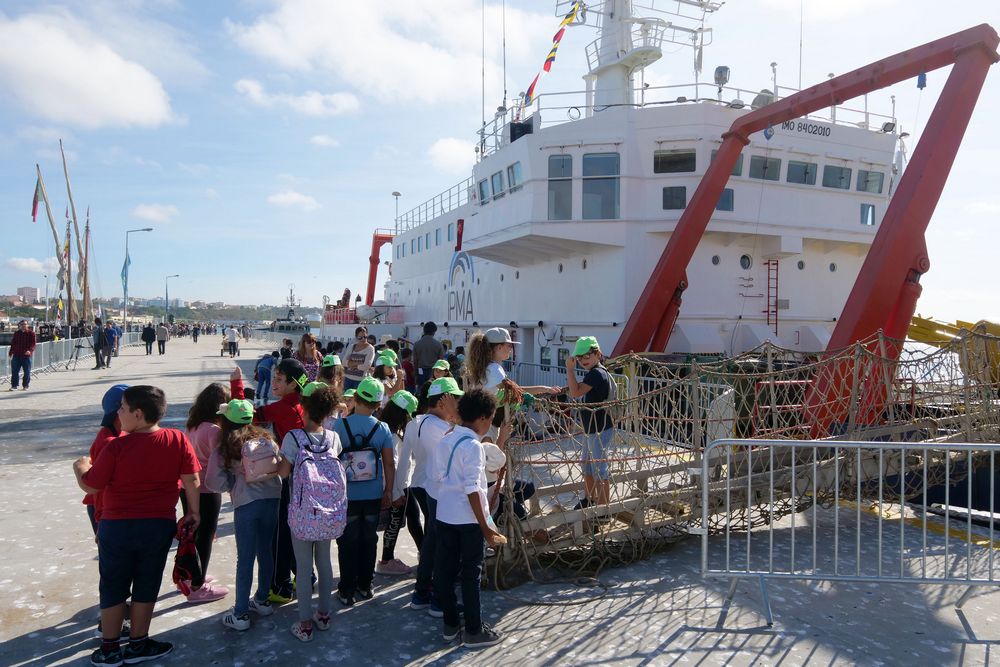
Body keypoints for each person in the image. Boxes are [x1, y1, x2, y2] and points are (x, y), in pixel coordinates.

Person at [73, 385, 201, 665]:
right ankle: (137, 645)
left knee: (113, 585)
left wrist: (80, 467)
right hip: (157, 526)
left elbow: (92, 483)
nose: (118, 413)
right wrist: (193, 512)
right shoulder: (177, 439)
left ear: (138, 414)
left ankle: (109, 649)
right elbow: (192, 479)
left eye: (122, 408)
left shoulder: (116, 446)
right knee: (147, 582)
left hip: (117, 527)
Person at [432, 389, 506, 648]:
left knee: (446, 570)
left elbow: (437, 475)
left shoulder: (447, 437)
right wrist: (486, 528)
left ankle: (451, 624)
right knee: (470, 574)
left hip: (444, 514)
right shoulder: (474, 445)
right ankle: (474, 630)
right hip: (468, 519)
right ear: (485, 417)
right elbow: (473, 488)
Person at [229, 359, 307, 604]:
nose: (274, 382)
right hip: (306, 476)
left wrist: (236, 386)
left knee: (280, 533)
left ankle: (280, 586)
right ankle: (306, 576)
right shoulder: (304, 404)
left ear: (293, 384)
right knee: (298, 530)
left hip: (289, 475)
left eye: (279, 379)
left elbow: (246, 415)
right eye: (274, 377)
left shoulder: (282, 407)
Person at [203, 400, 282, 632]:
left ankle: (240, 613)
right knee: (265, 551)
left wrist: (232, 482)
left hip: (247, 503)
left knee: (245, 558)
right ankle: (262, 600)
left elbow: (213, 482)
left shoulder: (225, 446)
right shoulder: (267, 438)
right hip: (272, 498)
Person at [277, 382, 343, 642]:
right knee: (324, 562)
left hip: (303, 511)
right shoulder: (333, 438)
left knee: (303, 569)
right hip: (329, 511)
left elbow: (283, 473)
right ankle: (324, 615)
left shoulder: (293, 438)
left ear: (303, 408)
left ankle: (304, 624)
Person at [332, 377, 395, 605]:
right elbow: (389, 463)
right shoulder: (383, 428)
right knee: (369, 540)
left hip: (346, 494)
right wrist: (388, 489)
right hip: (373, 493)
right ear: (378, 405)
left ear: (355, 398)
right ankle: (365, 585)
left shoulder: (340, 425)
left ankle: (346, 589)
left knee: (347, 541)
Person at [403, 376, 464, 614]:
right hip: (442, 492)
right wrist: (455, 418)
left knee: (431, 542)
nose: (457, 406)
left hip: (429, 488)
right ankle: (439, 599)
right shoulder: (438, 427)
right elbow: (460, 449)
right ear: (443, 403)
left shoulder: (419, 422)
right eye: (454, 401)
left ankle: (422, 593)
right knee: (443, 547)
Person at [181, 383, 232, 604]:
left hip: (187, 488)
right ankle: (197, 585)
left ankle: (188, 575)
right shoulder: (214, 431)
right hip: (207, 489)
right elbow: (221, 460)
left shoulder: (193, 426)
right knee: (206, 537)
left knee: (192, 534)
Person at [565, 336, 615, 508]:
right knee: (586, 465)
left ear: (598, 354)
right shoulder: (594, 374)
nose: (582, 361)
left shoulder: (596, 374)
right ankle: (589, 499)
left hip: (599, 429)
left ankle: (602, 510)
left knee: (599, 469)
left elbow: (575, 392)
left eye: (587, 356)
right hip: (592, 429)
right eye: (579, 358)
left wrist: (570, 370)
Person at [377, 391, 422, 576]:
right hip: (399, 487)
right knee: (395, 522)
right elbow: (392, 465)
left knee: (413, 517)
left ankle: (426, 552)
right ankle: (386, 560)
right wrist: (395, 493)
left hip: (403, 484)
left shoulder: (387, 428)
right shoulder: (394, 436)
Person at [464, 328, 560, 397]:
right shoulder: (494, 369)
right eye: (509, 345)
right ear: (499, 347)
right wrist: (545, 389)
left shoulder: (486, 366)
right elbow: (514, 391)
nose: (511, 349)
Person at [343, 326, 376, 391]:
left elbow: (366, 366)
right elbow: (344, 362)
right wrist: (359, 363)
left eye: (365, 337)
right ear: (356, 337)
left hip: (360, 381)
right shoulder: (352, 346)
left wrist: (351, 363)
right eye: (360, 337)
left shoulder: (370, 349)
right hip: (347, 379)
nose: (363, 339)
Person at [413, 322, 445, 388]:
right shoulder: (438, 344)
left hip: (420, 371)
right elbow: (441, 361)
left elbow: (415, 361)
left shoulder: (417, 344)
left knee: (421, 391)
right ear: (434, 331)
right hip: (434, 372)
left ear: (424, 331)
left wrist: (416, 375)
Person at [8, 319, 36, 391]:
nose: (23, 325)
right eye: (22, 324)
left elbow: (33, 344)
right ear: (20, 325)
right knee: (14, 371)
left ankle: (25, 385)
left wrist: (30, 351)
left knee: (27, 371)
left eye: (25, 324)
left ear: (27, 325)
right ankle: (14, 386)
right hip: (16, 355)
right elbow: (13, 343)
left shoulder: (31, 333)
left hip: (26, 356)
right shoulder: (17, 333)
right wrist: (10, 352)